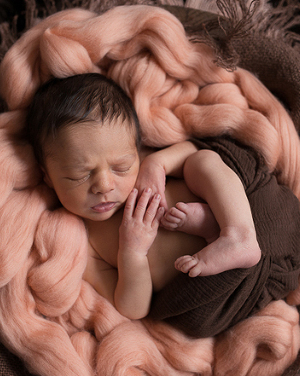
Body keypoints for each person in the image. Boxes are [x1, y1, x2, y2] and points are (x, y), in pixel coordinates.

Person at [25, 73, 261, 321]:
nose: (104, 185)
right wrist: (132, 252)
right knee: (191, 320)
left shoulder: (143, 168)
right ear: (48, 177)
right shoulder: (85, 243)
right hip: (217, 289)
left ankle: (237, 232)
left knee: (203, 159)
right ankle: (209, 228)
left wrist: (157, 163)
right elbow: (132, 309)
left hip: (250, 212)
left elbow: (193, 149)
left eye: (121, 167)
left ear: (135, 152)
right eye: (78, 175)